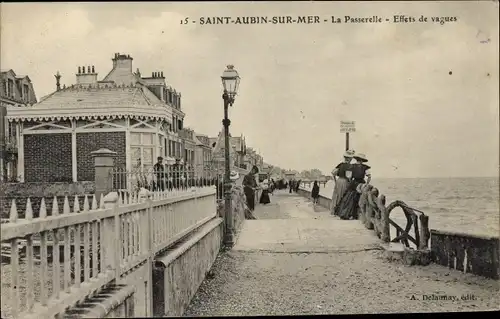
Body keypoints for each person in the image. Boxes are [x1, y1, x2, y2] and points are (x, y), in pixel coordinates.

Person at [335, 153, 371, 220]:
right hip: (361, 183)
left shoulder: (352, 166)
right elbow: (369, 176)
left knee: (348, 198)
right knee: (358, 198)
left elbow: (349, 176)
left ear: (357, 159)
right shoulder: (364, 167)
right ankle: (355, 215)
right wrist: (367, 184)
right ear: (362, 160)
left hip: (353, 183)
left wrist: (350, 181)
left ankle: (346, 214)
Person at [330, 150, 355, 215]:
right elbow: (349, 176)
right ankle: (340, 212)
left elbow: (333, 173)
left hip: (338, 181)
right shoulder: (350, 166)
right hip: (344, 181)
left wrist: (336, 181)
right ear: (349, 159)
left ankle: (334, 211)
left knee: (336, 196)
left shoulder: (340, 164)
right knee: (343, 196)